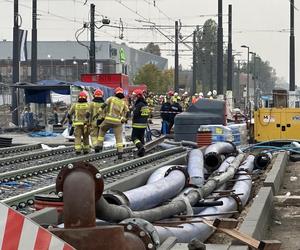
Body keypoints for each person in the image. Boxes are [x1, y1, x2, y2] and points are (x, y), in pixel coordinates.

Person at [98, 87, 129, 159]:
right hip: (118, 122)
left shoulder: (111, 98)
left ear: (115, 93)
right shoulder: (123, 102)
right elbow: (128, 112)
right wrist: (124, 119)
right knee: (119, 137)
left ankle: (99, 146)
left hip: (108, 120)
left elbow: (104, 105)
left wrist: (100, 112)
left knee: (102, 130)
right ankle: (120, 152)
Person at [131, 89, 150, 157]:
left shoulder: (138, 104)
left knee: (134, 137)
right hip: (143, 125)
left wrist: (132, 110)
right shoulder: (145, 104)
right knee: (141, 138)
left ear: (138, 96)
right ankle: (141, 153)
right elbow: (147, 114)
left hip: (137, 124)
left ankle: (140, 147)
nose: (133, 97)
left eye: (134, 96)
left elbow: (135, 113)